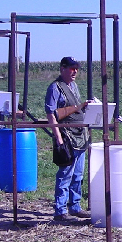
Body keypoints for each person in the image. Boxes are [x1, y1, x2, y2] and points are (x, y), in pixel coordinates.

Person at [45, 56, 92, 222]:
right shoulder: (55, 88)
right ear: (62, 69)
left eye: (76, 68)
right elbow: (51, 114)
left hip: (80, 135)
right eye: (71, 68)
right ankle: (60, 209)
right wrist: (57, 136)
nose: (75, 71)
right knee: (65, 174)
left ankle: (75, 206)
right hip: (66, 136)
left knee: (78, 175)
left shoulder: (74, 87)